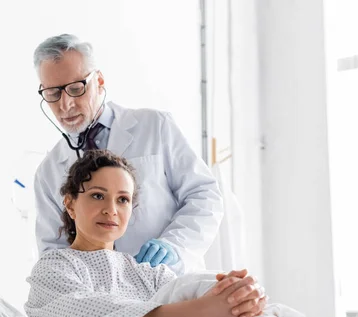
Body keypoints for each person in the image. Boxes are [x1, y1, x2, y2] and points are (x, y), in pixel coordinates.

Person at [24, 150, 267, 317]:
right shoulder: (54, 267)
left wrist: (236, 291)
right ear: (70, 204)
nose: (111, 210)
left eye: (122, 200)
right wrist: (208, 309)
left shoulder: (148, 272)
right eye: (98, 195)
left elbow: (184, 290)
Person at [32, 34, 224, 275]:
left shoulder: (155, 126)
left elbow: (204, 195)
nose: (65, 104)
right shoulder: (48, 173)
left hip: (172, 280)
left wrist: (174, 247)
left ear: (99, 81)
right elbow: (53, 254)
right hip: (107, 302)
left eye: (75, 89)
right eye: (53, 94)